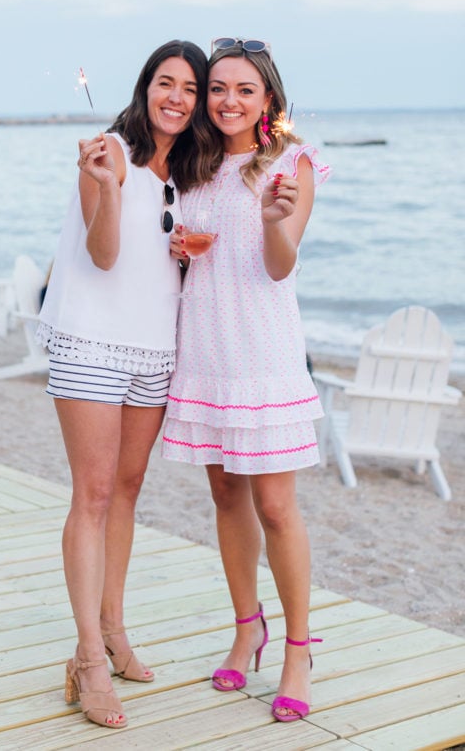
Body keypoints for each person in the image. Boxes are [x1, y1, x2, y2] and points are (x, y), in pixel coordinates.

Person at [36, 40, 214, 730]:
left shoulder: (188, 173)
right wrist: (108, 188)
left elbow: (166, 261)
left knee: (130, 490)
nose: (177, 97)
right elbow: (103, 254)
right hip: (92, 340)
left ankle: (113, 627)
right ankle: (86, 656)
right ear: (146, 89)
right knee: (95, 492)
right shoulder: (108, 151)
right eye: (165, 83)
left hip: (156, 349)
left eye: (190, 89)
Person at [163, 37, 330, 723]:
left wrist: (271, 223)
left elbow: (282, 266)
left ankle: (297, 648)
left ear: (269, 100)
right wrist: (176, 250)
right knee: (226, 496)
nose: (229, 101)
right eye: (218, 89)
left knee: (277, 507)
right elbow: (183, 256)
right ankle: (245, 628)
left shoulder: (290, 165)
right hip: (203, 348)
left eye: (244, 90)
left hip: (262, 353)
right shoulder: (192, 165)